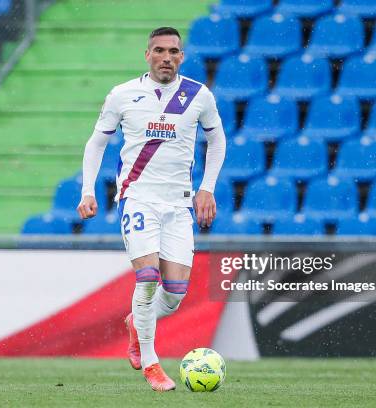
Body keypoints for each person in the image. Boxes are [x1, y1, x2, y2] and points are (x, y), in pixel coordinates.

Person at [76, 27, 226, 392]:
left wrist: (207, 188)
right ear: (148, 55)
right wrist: (87, 190)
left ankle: (135, 323)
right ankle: (151, 364)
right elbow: (97, 143)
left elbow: (217, 138)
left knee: (174, 294)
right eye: (159, 51)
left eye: (173, 51)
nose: (166, 58)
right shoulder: (123, 95)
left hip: (179, 204)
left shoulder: (198, 95)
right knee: (147, 279)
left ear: (182, 57)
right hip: (138, 198)